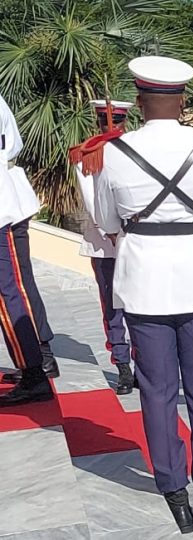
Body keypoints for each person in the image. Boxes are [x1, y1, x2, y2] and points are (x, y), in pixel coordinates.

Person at [93, 55, 193, 533]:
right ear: (183, 100)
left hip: (144, 283)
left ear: (139, 102)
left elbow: (107, 221)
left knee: (156, 391)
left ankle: (174, 492)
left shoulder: (116, 151)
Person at [72, 99, 134, 395]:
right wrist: (109, 231)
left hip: (134, 239)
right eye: (108, 122)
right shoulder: (88, 153)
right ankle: (122, 364)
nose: (112, 127)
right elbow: (90, 197)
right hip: (105, 243)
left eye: (115, 122)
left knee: (139, 303)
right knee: (112, 305)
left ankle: (143, 362)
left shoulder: (134, 149)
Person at [0, 92, 58, 385]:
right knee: (16, 285)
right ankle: (35, 359)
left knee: (13, 287)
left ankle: (37, 361)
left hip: (7, 203)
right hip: (9, 195)